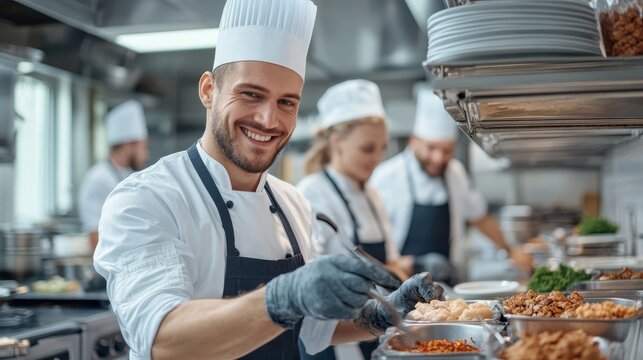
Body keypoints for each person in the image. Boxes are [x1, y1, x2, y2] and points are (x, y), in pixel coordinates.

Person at [93, 1, 443, 359]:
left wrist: (380, 315)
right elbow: (163, 337)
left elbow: (309, 325)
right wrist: (281, 297)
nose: (268, 119)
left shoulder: (293, 205)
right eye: (251, 94)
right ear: (208, 90)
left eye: (286, 102)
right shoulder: (146, 199)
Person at [297, 80, 413, 360]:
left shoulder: (372, 195)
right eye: (367, 148)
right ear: (337, 141)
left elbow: (393, 265)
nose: (378, 158)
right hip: (337, 343)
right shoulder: (310, 193)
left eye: (382, 147)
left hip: (380, 331)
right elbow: (311, 282)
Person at [371, 88, 532, 283]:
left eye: (446, 151)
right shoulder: (385, 177)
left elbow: (480, 218)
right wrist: (412, 264)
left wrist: (511, 250)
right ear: (414, 141)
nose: (438, 158)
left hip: (447, 287)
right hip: (398, 287)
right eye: (431, 148)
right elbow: (373, 249)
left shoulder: (456, 173)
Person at [78, 100, 148, 249]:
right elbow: (95, 237)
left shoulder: (129, 175)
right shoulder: (98, 179)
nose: (145, 155)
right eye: (143, 146)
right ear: (128, 144)